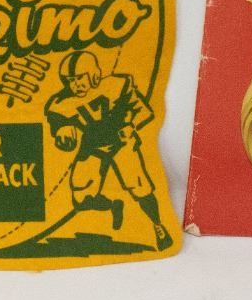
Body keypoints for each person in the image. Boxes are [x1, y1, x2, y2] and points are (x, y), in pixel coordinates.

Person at [43, 51, 170, 249]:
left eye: (79, 78)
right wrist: (63, 133)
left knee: (139, 186)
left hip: (122, 142)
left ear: (93, 74)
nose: (75, 85)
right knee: (81, 198)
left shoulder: (117, 85)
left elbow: (144, 111)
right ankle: (113, 205)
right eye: (70, 81)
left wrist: (131, 126)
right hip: (92, 145)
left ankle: (158, 226)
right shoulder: (59, 104)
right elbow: (59, 127)